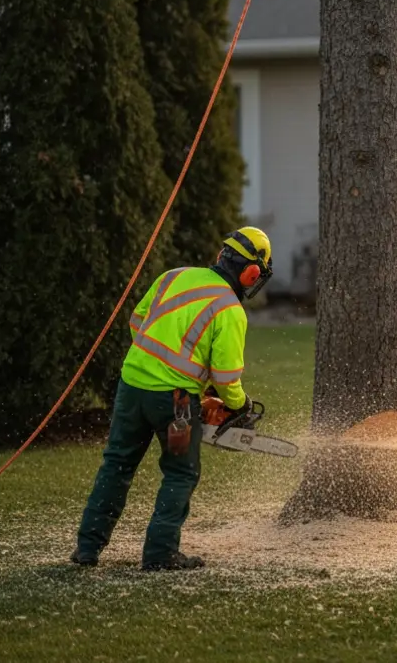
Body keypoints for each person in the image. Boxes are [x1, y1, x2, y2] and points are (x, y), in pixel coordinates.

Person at [71, 227, 273, 571]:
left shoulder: (173, 276)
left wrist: (167, 366)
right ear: (251, 272)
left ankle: (87, 547)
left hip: (131, 384)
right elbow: (226, 378)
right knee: (181, 473)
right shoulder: (230, 308)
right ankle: (160, 553)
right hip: (177, 401)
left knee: (117, 464)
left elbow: (138, 321)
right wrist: (239, 406)